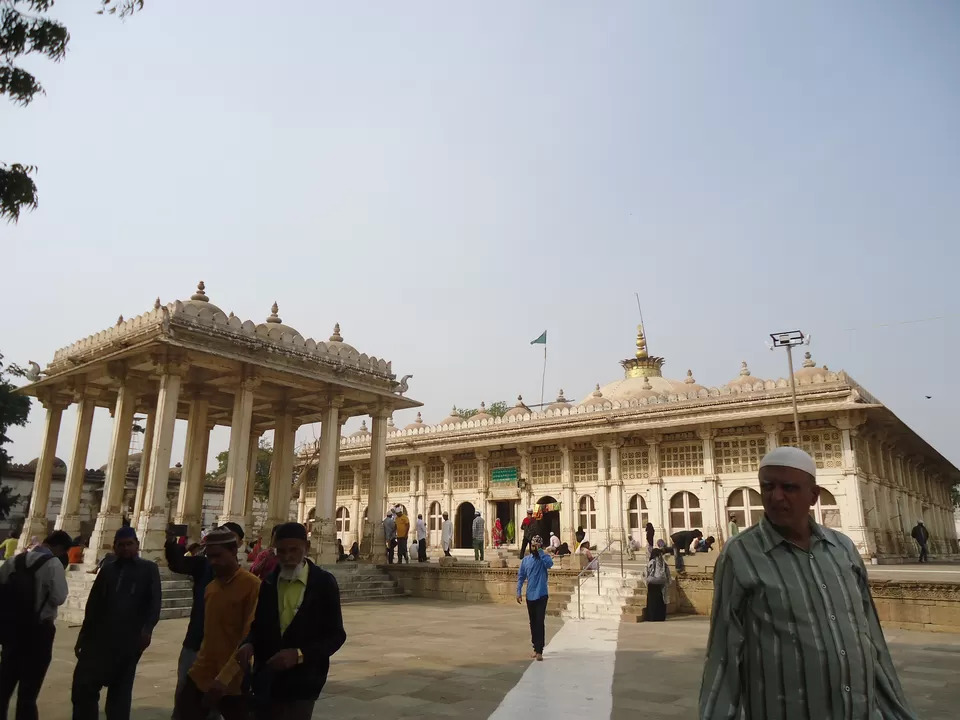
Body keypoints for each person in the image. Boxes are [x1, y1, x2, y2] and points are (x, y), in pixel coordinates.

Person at [699, 446, 918, 720]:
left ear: (813, 496)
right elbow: (723, 653)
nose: (776, 497)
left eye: (789, 488)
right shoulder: (740, 555)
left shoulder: (843, 549)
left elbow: (870, 637)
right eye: (768, 487)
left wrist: (897, 710)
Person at [238, 522, 346, 719]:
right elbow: (259, 626)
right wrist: (249, 643)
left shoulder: (322, 583)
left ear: (306, 547)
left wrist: (299, 654)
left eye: (294, 550)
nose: (287, 557)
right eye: (282, 551)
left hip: (304, 681)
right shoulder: (269, 582)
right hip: (268, 679)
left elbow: (336, 635)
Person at [72, 527, 162, 720]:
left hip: (128, 640)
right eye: (121, 545)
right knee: (83, 689)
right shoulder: (108, 569)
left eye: (130, 544)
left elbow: (155, 603)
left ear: (137, 545)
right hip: (98, 640)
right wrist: (83, 636)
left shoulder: (148, 569)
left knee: (120, 694)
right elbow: (93, 605)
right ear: (115, 547)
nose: (126, 549)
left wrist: (147, 630)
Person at [174, 527, 260, 720]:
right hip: (201, 672)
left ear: (233, 552)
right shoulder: (211, 588)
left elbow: (248, 636)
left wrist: (225, 677)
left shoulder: (252, 585)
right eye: (209, 556)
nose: (213, 562)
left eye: (218, 556)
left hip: (233, 680)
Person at [0, 530, 70, 720]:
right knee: (28, 693)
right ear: (59, 548)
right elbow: (59, 597)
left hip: (12, 630)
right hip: (39, 631)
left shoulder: (14, 561)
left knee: (4, 686)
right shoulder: (53, 564)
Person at [516, 535, 553, 662]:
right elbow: (521, 576)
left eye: (537, 546)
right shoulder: (526, 560)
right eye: (533, 546)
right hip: (530, 595)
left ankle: (539, 650)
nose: (534, 548)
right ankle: (535, 647)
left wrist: (541, 552)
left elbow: (550, 564)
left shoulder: (544, 559)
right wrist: (518, 591)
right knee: (533, 623)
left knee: (539, 622)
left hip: (542, 594)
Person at [641, 547, 670, 622]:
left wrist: (646, 581)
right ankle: (660, 617)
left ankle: (652, 617)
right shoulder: (663, 562)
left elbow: (646, 573)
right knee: (660, 601)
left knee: (652, 601)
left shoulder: (652, 561)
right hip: (660, 584)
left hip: (652, 584)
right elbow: (667, 574)